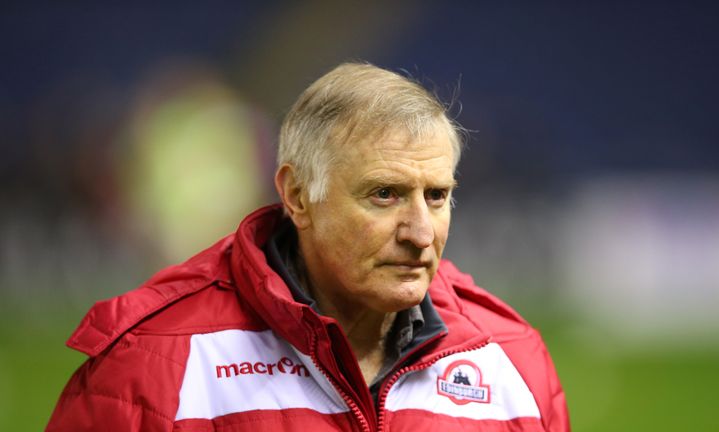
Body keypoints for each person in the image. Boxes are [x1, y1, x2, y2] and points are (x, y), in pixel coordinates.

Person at [47, 63, 569, 431]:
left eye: (436, 196)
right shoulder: (152, 366)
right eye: (384, 195)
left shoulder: (511, 360)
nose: (421, 232)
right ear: (298, 196)